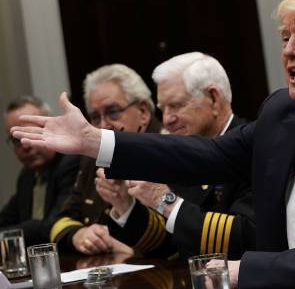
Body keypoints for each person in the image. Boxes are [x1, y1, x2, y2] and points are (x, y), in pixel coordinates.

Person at [12, 0, 295, 289]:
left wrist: (248, 271)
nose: (289, 50)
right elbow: (208, 156)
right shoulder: (284, 112)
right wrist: (96, 142)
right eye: (285, 38)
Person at [96, 52, 255, 259]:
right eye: (163, 109)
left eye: (177, 105)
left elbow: (245, 239)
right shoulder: (182, 151)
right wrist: (125, 205)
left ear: (214, 99)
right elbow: (172, 244)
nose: (167, 119)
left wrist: (165, 200)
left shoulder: (252, 147)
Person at [49, 64, 161, 255]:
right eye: (94, 117)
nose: (103, 126)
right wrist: (79, 235)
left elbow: (180, 238)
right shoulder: (92, 158)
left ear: (143, 113)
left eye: (113, 111)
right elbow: (62, 218)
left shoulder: (166, 153)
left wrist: (132, 249)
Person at [1, 96, 79, 244]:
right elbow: (6, 219)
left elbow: (51, 225)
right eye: (17, 140)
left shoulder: (71, 163)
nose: (25, 145)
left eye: (30, 133)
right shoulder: (26, 176)